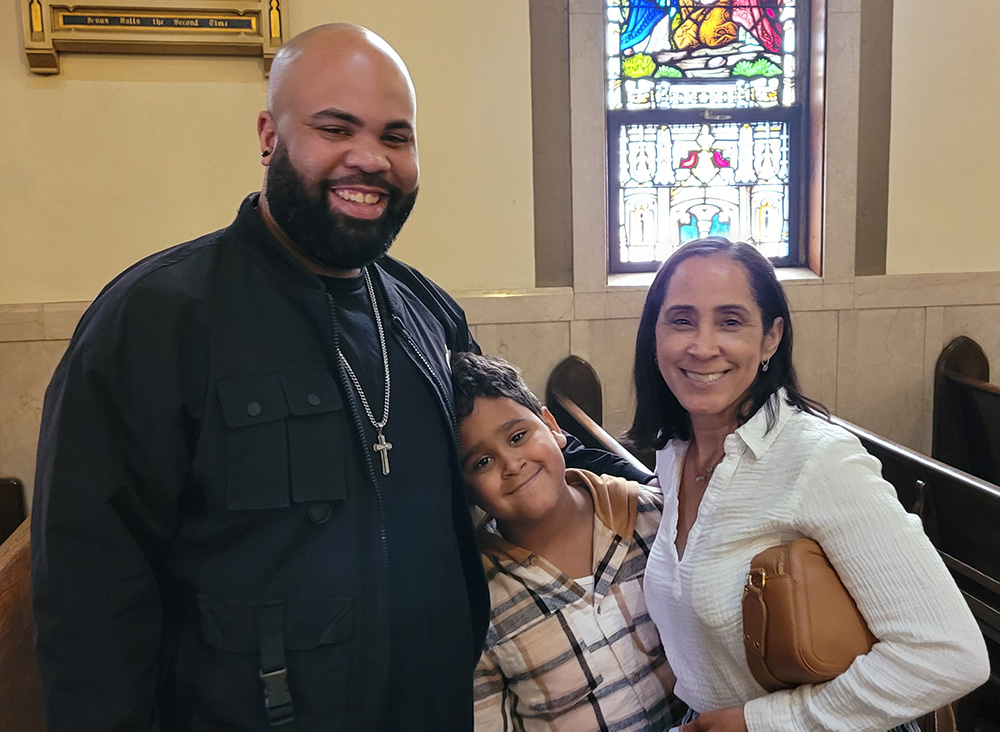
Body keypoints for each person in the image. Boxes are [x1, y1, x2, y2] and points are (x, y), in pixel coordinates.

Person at [31, 24, 647, 732]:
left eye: (395, 136)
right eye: (335, 128)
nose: (370, 158)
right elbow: (89, 595)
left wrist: (670, 496)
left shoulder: (427, 310)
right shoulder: (155, 319)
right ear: (270, 136)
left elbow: (517, 442)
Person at [625, 237, 989, 732]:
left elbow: (950, 654)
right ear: (654, 335)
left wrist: (761, 721)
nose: (703, 347)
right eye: (681, 320)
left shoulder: (819, 460)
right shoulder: (675, 452)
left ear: (770, 338)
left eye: (730, 321)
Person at [452, 351, 686, 732]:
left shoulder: (651, 516)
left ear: (552, 426)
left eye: (517, 437)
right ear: (467, 491)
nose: (511, 464)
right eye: (482, 462)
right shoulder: (478, 598)